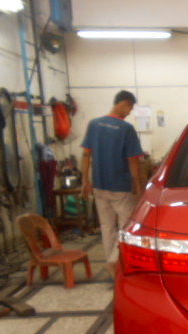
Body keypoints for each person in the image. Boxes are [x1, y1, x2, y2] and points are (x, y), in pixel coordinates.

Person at [81, 90, 144, 278]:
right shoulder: (126, 129)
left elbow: (86, 154)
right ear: (124, 103)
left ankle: (112, 265)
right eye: (130, 108)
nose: (129, 112)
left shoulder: (94, 124)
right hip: (120, 187)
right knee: (127, 226)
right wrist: (138, 186)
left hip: (99, 185)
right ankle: (114, 261)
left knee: (107, 226)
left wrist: (85, 181)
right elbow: (133, 161)